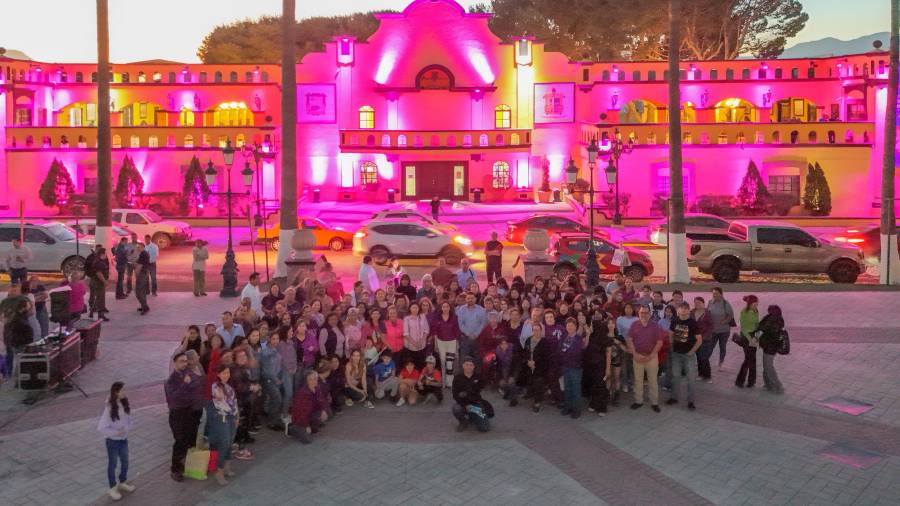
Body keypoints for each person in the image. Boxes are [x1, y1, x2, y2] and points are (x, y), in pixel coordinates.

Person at [164, 352, 202, 482]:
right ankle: (175, 469)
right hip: (177, 414)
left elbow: (197, 384)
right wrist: (185, 384)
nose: (185, 363)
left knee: (188, 439)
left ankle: (185, 463)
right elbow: (173, 398)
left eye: (186, 361)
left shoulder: (188, 373)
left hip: (189, 411)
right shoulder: (171, 380)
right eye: (181, 361)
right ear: (175, 363)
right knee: (180, 440)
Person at [96, 381, 135, 501]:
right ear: (116, 392)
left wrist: (126, 429)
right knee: (113, 464)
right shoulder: (109, 408)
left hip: (123, 440)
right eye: (123, 390)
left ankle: (122, 482)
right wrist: (116, 432)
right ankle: (112, 487)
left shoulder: (124, 403)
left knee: (125, 461)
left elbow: (130, 421)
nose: (125, 392)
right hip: (112, 441)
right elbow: (101, 428)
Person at [627, 306, 665, 412]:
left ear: (650, 314)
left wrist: (651, 355)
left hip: (651, 357)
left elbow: (659, 342)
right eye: (641, 312)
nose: (643, 314)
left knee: (652, 380)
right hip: (637, 356)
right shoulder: (634, 325)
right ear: (638, 313)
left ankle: (654, 403)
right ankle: (638, 401)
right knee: (638, 380)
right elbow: (629, 340)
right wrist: (635, 354)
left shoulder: (655, 326)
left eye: (646, 312)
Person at [208, 363, 239, 485]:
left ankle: (227, 467)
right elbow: (219, 398)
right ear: (218, 374)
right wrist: (219, 396)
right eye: (224, 373)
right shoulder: (215, 386)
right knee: (224, 444)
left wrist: (237, 416)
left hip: (232, 418)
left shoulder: (229, 387)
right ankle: (219, 471)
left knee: (230, 443)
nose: (227, 375)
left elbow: (234, 402)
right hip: (222, 418)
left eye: (228, 372)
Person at [667, 303, 701, 410]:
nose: (683, 310)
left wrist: (691, 352)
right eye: (682, 308)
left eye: (686, 309)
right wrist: (671, 347)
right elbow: (670, 333)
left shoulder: (693, 323)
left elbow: (699, 340)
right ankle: (674, 397)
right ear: (678, 310)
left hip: (688, 355)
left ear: (689, 310)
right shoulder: (674, 321)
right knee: (675, 377)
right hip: (676, 354)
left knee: (691, 379)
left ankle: (691, 401)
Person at [451, 357, 492, 432]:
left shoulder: (478, 377)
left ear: (474, 366)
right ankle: (463, 422)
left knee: (484, 428)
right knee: (456, 408)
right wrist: (465, 404)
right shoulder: (457, 378)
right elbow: (455, 395)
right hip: (463, 404)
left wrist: (472, 404)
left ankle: (473, 416)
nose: (468, 367)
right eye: (466, 364)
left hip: (476, 404)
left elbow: (479, 389)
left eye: (471, 365)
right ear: (463, 366)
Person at [288, 369, 328, 444]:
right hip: (300, 418)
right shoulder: (303, 393)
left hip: (310, 414)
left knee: (322, 416)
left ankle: (311, 426)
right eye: (310, 379)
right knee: (307, 440)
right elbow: (301, 412)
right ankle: (292, 428)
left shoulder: (317, 388)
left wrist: (323, 410)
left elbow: (321, 400)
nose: (314, 381)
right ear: (306, 381)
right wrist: (306, 425)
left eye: (315, 378)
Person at [558, 317, 587, 419]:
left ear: (575, 327)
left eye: (572, 325)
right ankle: (568, 407)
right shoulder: (564, 337)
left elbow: (578, 352)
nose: (569, 327)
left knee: (575, 389)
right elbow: (560, 350)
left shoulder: (578, 338)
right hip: (565, 366)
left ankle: (576, 410)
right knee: (567, 388)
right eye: (568, 325)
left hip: (575, 368)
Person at [583, 314, 611, 416]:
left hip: (601, 366)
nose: (590, 327)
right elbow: (584, 346)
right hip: (591, 365)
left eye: (592, 325)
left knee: (600, 386)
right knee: (593, 385)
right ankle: (594, 403)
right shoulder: (591, 336)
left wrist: (608, 369)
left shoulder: (605, 339)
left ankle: (602, 407)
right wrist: (588, 334)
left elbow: (608, 354)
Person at [259, 332, 284, 431]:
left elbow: (278, 365)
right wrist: (275, 379)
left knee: (275, 400)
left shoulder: (276, 350)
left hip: (276, 378)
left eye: (277, 339)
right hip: (269, 380)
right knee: (277, 399)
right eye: (274, 339)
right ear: (269, 339)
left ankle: (275, 419)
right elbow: (266, 370)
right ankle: (272, 422)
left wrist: (280, 376)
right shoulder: (265, 352)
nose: (276, 341)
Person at [456, 293, 486, 375]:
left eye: (472, 298)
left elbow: (482, 324)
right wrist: (468, 334)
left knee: (477, 358)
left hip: (477, 338)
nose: (470, 300)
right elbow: (460, 323)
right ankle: (463, 377)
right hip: (465, 338)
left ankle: (477, 377)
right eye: (468, 298)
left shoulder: (481, 310)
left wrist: (476, 334)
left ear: (475, 299)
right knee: (464, 358)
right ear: (466, 299)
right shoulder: (461, 310)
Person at [431, 301, 460, 387]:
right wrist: (435, 343)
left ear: (450, 308)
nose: (445, 308)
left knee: (449, 363)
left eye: (447, 306)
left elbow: (457, 331)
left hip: (452, 342)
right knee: (443, 362)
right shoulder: (437, 317)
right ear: (441, 308)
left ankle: (449, 382)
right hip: (440, 342)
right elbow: (434, 331)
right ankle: (443, 382)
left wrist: (457, 344)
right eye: (444, 307)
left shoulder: (454, 317)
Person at [758, 305, 785, 394]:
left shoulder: (774, 321)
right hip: (768, 346)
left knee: (768, 366)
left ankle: (778, 386)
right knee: (766, 366)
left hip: (770, 347)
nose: (768, 312)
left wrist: (759, 333)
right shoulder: (772, 318)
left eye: (770, 311)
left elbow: (763, 329)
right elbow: (761, 327)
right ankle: (768, 384)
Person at [708, 287, 735, 372]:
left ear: (721, 294)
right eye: (713, 293)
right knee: (710, 346)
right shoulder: (710, 302)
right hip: (713, 330)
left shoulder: (725, 303)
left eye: (716, 293)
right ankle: (705, 361)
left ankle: (720, 364)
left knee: (722, 347)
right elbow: (707, 313)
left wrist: (724, 322)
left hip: (724, 331)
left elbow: (730, 315)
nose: (715, 295)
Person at [736, 295, 760, 388]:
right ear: (749, 303)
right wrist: (750, 339)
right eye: (754, 303)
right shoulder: (744, 312)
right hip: (746, 337)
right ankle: (740, 381)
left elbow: (757, 325)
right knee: (748, 360)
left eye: (757, 303)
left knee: (752, 359)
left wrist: (757, 337)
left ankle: (751, 381)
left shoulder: (756, 311)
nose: (756, 305)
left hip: (753, 336)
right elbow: (744, 328)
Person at [85, 244, 110, 321]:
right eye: (105, 253)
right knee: (100, 299)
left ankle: (92, 312)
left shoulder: (97, 260)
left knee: (97, 298)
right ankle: (100, 315)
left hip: (95, 281)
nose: (106, 255)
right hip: (98, 282)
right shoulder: (99, 262)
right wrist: (105, 281)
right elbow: (99, 273)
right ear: (102, 254)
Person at [402, 302, 429, 368]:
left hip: (422, 345)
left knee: (421, 363)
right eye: (413, 308)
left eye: (416, 308)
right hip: (411, 346)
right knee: (412, 364)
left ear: (419, 309)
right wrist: (415, 343)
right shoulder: (406, 319)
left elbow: (426, 330)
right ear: (410, 309)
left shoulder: (422, 317)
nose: (415, 309)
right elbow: (406, 333)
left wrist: (421, 341)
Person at [133, 243, 151, 315]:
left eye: (139, 247)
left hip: (142, 274)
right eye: (137, 247)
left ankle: (145, 307)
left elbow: (139, 266)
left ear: (143, 247)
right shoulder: (144, 253)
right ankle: (144, 306)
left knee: (138, 292)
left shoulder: (143, 254)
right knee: (142, 291)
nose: (137, 248)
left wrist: (136, 274)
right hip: (144, 273)